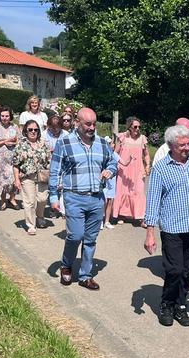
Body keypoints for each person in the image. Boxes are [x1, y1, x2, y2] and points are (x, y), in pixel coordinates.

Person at [143, 124, 189, 326]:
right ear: (171, 146)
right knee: (174, 269)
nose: (186, 148)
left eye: (188, 144)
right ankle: (166, 303)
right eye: (182, 145)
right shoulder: (161, 169)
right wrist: (150, 233)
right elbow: (153, 201)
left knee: (186, 270)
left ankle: (180, 305)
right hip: (172, 228)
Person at [48, 107, 118, 290]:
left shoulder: (102, 143)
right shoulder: (64, 143)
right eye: (88, 124)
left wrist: (110, 170)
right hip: (74, 197)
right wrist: (53, 197)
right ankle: (66, 264)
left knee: (90, 239)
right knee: (75, 235)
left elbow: (113, 161)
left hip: (97, 199)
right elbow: (54, 172)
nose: (92, 127)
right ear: (77, 123)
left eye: (94, 124)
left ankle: (85, 275)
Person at [13, 120, 52, 235]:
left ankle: (40, 216)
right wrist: (16, 180)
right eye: (30, 129)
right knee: (29, 201)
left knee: (42, 199)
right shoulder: (21, 145)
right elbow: (16, 164)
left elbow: (49, 160)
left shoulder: (43, 143)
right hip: (27, 177)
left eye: (35, 130)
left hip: (42, 176)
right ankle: (31, 224)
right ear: (26, 130)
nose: (33, 132)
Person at [113, 116, 151, 225]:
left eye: (139, 127)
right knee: (122, 191)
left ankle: (141, 217)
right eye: (135, 126)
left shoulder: (142, 138)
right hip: (124, 170)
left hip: (138, 169)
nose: (137, 129)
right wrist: (121, 163)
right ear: (129, 127)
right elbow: (115, 153)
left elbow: (146, 154)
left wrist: (148, 165)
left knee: (139, 192)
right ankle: (121, 214)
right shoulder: (123, 137)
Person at [0, 106, 20, 210]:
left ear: (10, 116)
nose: (4, 118)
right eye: (2, 116)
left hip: (12, 158)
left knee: (13, 178)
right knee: (1, 179)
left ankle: (12, 198)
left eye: (7, 116)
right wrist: (4, 141)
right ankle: (3, 200)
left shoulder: (14, 126)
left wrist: (13, 142)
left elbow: (19, 141)